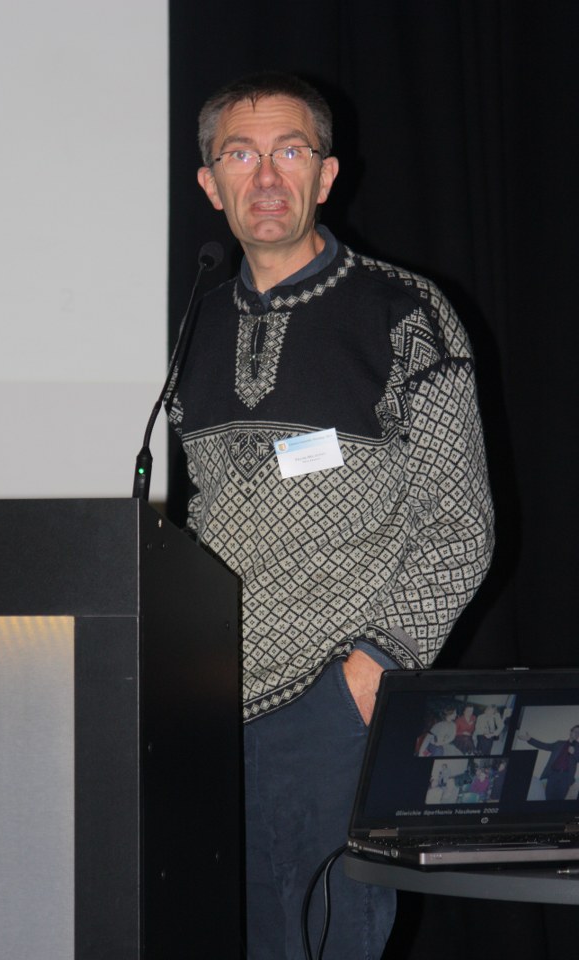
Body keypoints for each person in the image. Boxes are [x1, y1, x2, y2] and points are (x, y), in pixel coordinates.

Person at [168, 71, 494, 960]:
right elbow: (203, 513)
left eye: (291, 151)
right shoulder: (195, 328)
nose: (267, 176)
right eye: (240, 155)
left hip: (332, 708)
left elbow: (460, 527)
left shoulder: (403, 313)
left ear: (327, 173)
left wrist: (371, 672)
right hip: (203, 709)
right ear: (210, 184)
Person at [517, 725, 579, 800]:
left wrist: (574, 753)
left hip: (566, 778)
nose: (577, 733)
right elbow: (544, 746)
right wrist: (530, 739)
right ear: (571, 732)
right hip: (553, 774)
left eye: (578, 733)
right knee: (548, 797)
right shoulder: (559, 743)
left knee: (560, 800)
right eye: (575, 731)